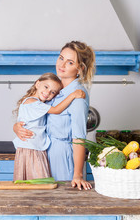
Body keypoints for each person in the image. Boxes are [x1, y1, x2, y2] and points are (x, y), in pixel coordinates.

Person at [14, 41, 96, 190]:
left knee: (59, 201)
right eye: (61, 58)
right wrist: (16, 127)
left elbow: (79, 138)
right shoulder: (54, 89)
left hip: (62, 156)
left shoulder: (78, 96)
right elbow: (33, 112)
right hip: (43, 153)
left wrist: (77, 174)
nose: (62, 65)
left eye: (70, 62)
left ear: (80, 69)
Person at [12, 72, 85, 181]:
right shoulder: (33, 102)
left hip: (34, 148)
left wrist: (15, 127)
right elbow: (56, 110)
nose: (47, 93)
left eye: (52, 92)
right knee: (39, 184)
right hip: (31, 149)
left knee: (34, 184)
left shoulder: (37, 102)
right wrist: (73, 95)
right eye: (46, 87)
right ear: (37, 84)